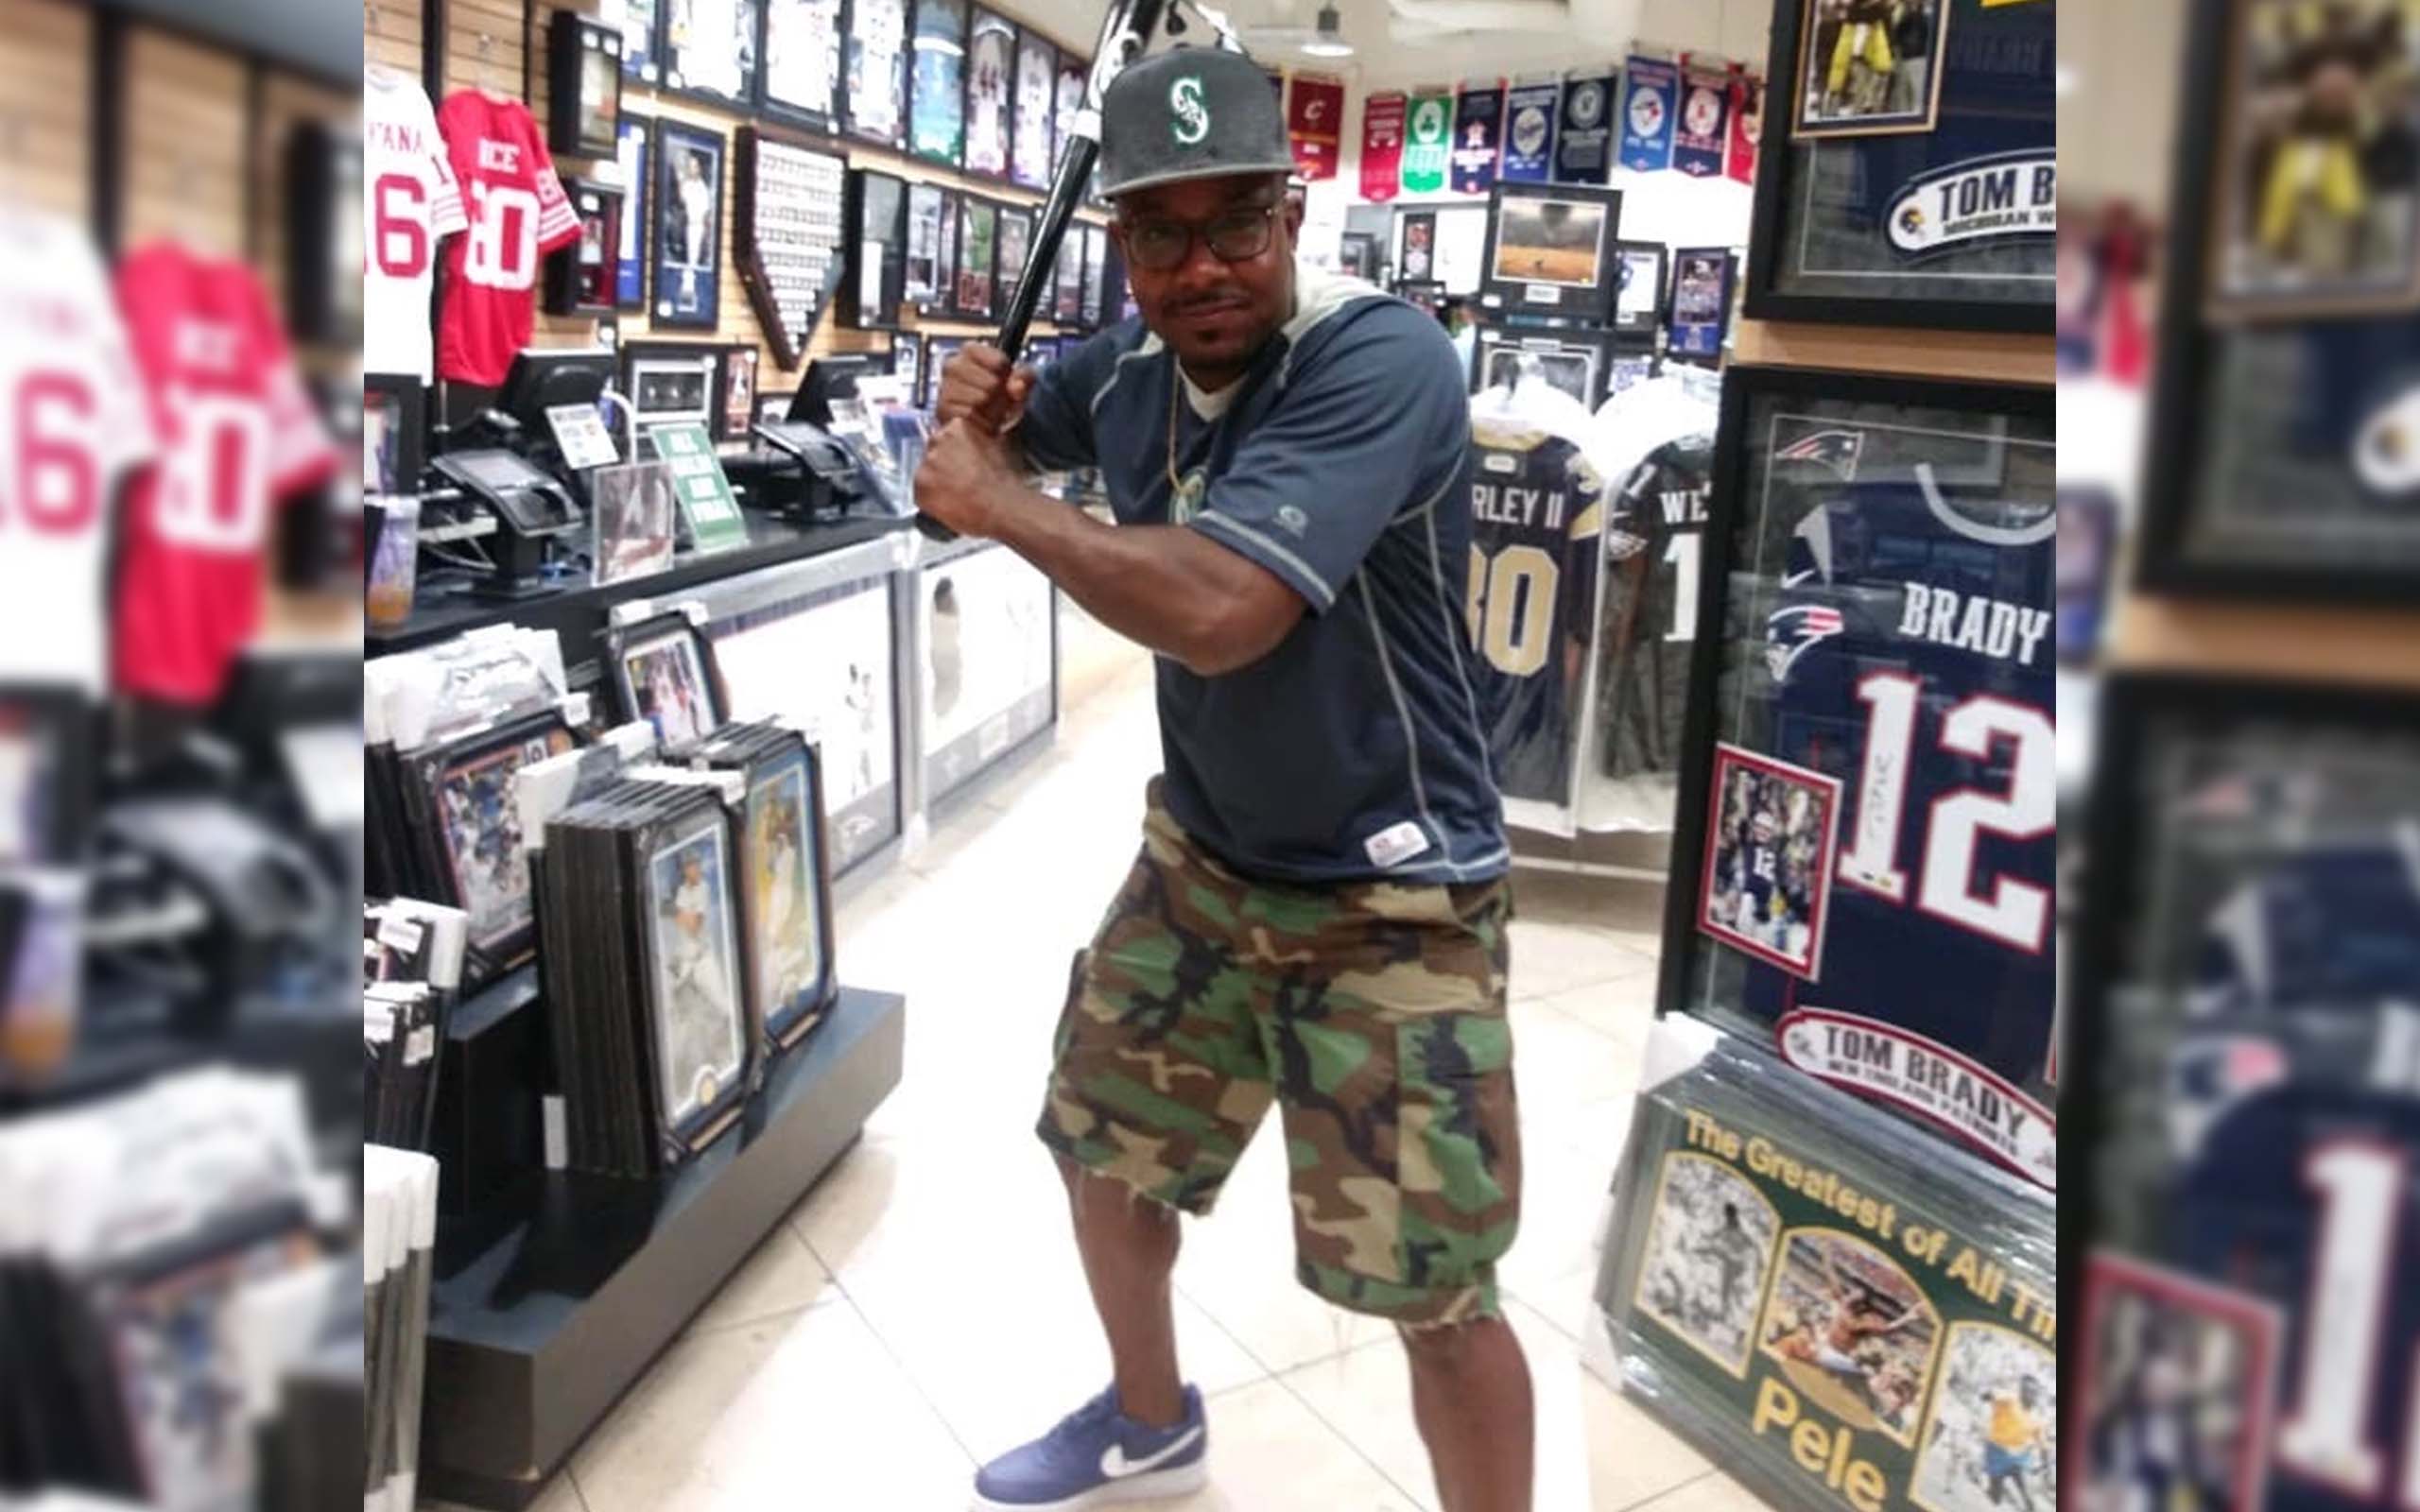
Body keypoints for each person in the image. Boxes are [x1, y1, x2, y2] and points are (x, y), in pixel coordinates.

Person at [913, 43, 1528, 1512]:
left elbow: (1218, 611)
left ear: (1292, 211)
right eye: (1160, 232)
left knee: (1436, 1298)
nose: (1203, 269)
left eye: (1234, 222)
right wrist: (972, 420)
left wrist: (1001, 504)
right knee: (1099, 1141)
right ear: (1119, 242)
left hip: (1396, 901)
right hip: (1202, 861)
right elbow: (969, 476)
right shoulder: (1122, 370)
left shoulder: (1382, 360)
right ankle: (1150, 1424)